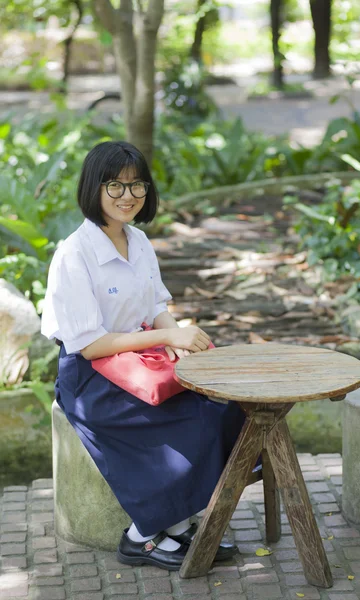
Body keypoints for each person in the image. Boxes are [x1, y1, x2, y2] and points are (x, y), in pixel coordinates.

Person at [41, 140, 246, 571]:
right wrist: (164, 336)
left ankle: (175, 523)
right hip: (89, 378)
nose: (127, 196)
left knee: (222, 407)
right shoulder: (73, 255)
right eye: (114, 185)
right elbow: (90, 344)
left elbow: (155, 307)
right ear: (93, 189)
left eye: (137, 186)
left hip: (137, 362)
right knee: (192, 421)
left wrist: (179, 335)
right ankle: (141, 537)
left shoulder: (138, 241)